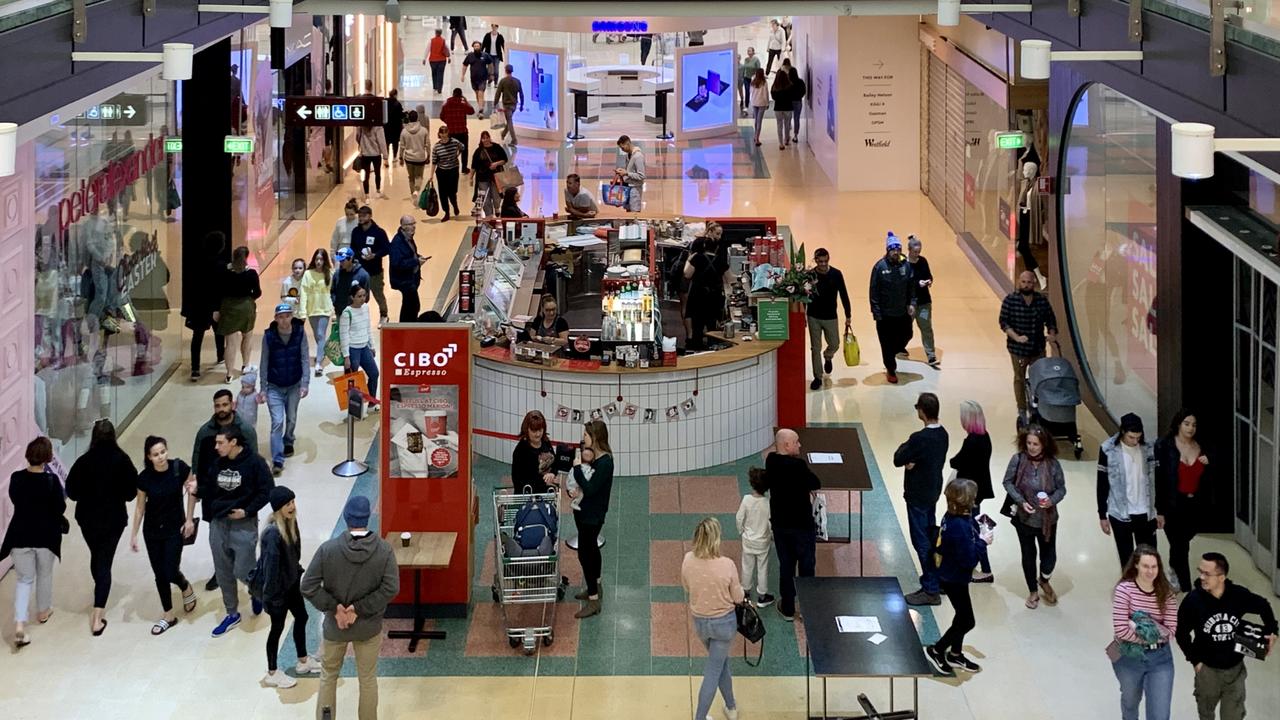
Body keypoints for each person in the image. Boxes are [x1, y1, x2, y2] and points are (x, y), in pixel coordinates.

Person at [302, 495, 399, 720]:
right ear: (368, 518)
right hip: (368, 627)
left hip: (336, 627)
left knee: (328, 676)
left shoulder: (328, 549)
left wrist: (335, 608)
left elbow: (308, 586)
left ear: (346, 517)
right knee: (367, 679)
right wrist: (358, 609)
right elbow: (391, 588)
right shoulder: (384, 551)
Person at [191, 423, 274, 638]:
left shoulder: (255, 463)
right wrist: (196, 489)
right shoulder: (217, 463)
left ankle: (257, 590)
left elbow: (267, 491)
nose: (216, 446)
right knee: (223, 570)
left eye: (221, 442)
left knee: (243, 569)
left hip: (243, 525)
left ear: (233, 442)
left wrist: (247, 511)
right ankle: (231, 613)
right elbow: (209, 489)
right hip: (219, 524)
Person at [1176, 552, 1278, 720]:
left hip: (1235, 671)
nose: (1201, 577)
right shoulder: (1193, 601)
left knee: (1233, 716)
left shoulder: (1238, 595)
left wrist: (1272, 631)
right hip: (1207, 671)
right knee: (1206, 714)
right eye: (1200, 571)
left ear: (1222, 577)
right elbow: (1181, 633)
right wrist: (1195, 661)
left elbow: (1263, 606)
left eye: (1207, 574)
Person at [65, 418, 138, 635]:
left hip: (87, 519)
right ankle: (98, 616)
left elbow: (72, 492)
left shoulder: (83, 461)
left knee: (97, 557)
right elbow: (131, 492)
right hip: (113, 519)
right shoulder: (122, 459)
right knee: (104, 561)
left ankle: (99, 594)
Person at [192, 388, 259, 592]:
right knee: (218, 538)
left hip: (241, 496)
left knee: (244, 538)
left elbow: (253, 462)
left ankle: (250, 575)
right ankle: (221, 572)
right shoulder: (205, 432)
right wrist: (196, 488)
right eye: (217, 405)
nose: (221, 409)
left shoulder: (245, 430)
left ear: (232, 404)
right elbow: (197, 460)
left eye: (224, 404)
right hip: (214, 496)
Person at [130, 435, 197, 635]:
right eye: (155, 454)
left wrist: (189, 519)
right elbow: (140, 508)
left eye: (162, 452)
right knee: (159, 574)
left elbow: (193, 491)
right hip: (151, 531)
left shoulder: (178, 468)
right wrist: (133, 534)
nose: (160, 457)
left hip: (174, 529)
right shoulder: (144, 478)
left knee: (170, 570)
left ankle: (184, 585)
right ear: (148, 457)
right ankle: (168, 614)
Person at [2, 437, 64, 648]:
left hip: (20, 536)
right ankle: (43, 612)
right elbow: (60, 509)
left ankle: (20, 623)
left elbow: (14, 499)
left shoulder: (16, 479)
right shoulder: (51, 481)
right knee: (44, 574)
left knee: (24, 580)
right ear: (47, 457)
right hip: (46, 537)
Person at [257, 486, 321, 689]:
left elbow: (294, 556)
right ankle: (272, 672)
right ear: (278, 508)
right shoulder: (272, 534)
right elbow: (270, 569)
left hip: (291, 584)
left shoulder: (291, 524)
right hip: (277, 591)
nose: (292, 507)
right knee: (277, 628)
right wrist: (271, 598)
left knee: (302, 617)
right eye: (288, 504)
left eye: (293, 502)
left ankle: (303, 661)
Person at [682, 517, 743, 720]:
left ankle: (731, 706)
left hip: (701, 623)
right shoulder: (727, 565)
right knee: (714, 669)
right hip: (724, 624)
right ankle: (700, 717)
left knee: (721, 662)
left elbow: (687, 587)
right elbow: (737, 597)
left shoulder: (688, 560)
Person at [1002, 424, 1067, 609]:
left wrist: (1052, 500)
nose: (1031, 447)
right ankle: (1032, 590)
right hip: (1025, 519)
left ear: (1044, 445)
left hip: (1048, 520)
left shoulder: (1053, 464)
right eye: (1029, 443)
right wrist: (1021, 501)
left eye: (1036, 444)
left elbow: (1062, 488)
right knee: (1028, 555)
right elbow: (1007, 482)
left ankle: (1044, 579)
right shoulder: (1018, 460)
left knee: (1049, 557)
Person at [894, 393, 950, 606]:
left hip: (917, 494)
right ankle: (936, 577)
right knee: (930, 533)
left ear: (921, 411)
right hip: (933, 492)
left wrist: (909, 457)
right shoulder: (943, 435)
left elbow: (898, 458)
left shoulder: (919, 439)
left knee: (921, 541)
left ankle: (930, 588)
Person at [1110, 546, 1177, 720]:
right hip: (1127, 656)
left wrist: (1137, 625)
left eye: (1154, 567)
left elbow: (1170, 632)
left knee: (1160, 714)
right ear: (1136, 566)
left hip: (1160, 657)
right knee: (1130, 701)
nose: (1150, 571)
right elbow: (1121, 630)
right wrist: (1151, 633)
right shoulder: (1124, 590)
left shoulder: (1167, 594)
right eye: (1146, 566)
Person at [926, 478, 985, 675]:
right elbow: (969, 560)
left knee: (961, 615)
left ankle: (956, 653)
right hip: (954, 578)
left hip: (948, 572)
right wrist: (983, 542)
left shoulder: (951, 516)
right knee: (968, 621)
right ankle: (937, 650)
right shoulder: (960, 527)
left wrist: (976, 530)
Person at [763, 428, 820, 620]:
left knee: (786, 566)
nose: (800, 444)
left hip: (780, 525)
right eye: (796, 442)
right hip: (802, 525)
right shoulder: (799, 466)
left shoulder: (771, 461)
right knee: (806, 566)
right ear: (787, 445)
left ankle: (787, 607)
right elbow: (815, 482)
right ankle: (806, 607)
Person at [1155, 409, 1210, 592]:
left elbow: (1207, 479)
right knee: (1180, 545)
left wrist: (1209, 464)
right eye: (1187, 423)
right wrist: (1160, 510)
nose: (1190, 428)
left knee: (1182, 543)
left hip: (1193, 505)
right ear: (1178, 424)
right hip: (1173, 504)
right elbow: (1159, 479)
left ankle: (1173, 569)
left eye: (1194, 424)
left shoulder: (1201, 446)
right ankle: (1185, 585)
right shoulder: (1165, 446)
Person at [1098, 412, 1160, 567]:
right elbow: (1102, 483)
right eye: (1131, 437)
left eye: (1138, 437)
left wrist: (1161, 510)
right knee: (1127, 560)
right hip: (1120, 513)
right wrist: (1102, 514)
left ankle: (1147, 589)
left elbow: (1158, 481)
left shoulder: (1149, 449)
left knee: (1148, 560)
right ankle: (1129, 590)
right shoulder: (1108, 450)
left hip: (1146, 513)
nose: (1135, 441)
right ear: (1123, 432)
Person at [568, 420, 614, 619]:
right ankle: (594, 584)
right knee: (592, 550)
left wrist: (577, 469)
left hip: (592, 515)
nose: (583, 439)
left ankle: (594, 599)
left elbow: (591, 488)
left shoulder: (605, 462)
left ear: (594, 438)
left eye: (586, 435)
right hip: (585, 512)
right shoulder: (596, 458)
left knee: (585, 554)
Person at [259, 303, 311, 476]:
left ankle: (288, 439)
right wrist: (263, 388)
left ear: (292, 316)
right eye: (280, 317)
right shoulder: (269, 336)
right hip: (274, 386)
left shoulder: (299, 333)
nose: (284, 320)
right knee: (277, 422)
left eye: (287, 316)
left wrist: (305, 383)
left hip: (294, 384)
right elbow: (264, 362)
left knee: (292, 418)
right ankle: (278, 459)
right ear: (276, 319)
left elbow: (304, 358)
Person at [999, 270, 1059, 416]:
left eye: (1029, 282)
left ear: (1034, 283)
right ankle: (1021, 408)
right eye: (1023, 282)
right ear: (1019, 282)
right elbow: (1003, 322)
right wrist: (1016, 337)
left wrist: (1051, 334)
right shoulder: (1010, 300)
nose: (1026, 285)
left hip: (1037, 348)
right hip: (1017, 349)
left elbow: (1050, 320)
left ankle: (1038, 405)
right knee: (1019, 378)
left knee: (1040, 378)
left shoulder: (1041, 301)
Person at [950, 400, 994, 582]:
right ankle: (977, 563)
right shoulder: (985, 437)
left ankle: (985, 569)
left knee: (973, 530)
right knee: (975, 525)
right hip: (980, 489)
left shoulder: (972, 441)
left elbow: (958, 461)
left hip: (970, 492)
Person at [869, 232, 916, 383]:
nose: (896, 252)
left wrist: (912, 303)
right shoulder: (879, 267)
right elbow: (874, 291)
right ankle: (891, 369)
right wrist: (876, 313)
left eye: (898, 249)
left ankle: (893, 352)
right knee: (886, 344)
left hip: (902, 312)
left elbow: (911, 287)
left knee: (907, 335)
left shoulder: (906, 265)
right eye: (893, 249)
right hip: (885, 315)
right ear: (888, 250)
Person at [807, 247, 851, 390]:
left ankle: (828, 356)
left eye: (825, 261)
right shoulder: (810, 275)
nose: (823, 264)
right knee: (815, 348)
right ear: (816, 261)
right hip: (813, 316)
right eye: (820, 262)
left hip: (831, 316)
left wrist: (848, 314)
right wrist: (803, 315)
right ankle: (817, 377)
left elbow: (844, 294)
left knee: (835, 343)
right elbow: (804, 295)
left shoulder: (836, 274)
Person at [216, 245, 262, 384]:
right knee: (247, 337)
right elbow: (258, 292)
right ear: (247, 257)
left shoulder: (225, 271)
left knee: (230, 343)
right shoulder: (251, 273)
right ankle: (245, 365)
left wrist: (216, 309)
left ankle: (229, 374)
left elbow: (218, 291)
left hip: (228, 307)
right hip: (246, 307)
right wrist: (249, 299)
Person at [185, 231, 227, 380]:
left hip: (199, 305)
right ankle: (220, 355)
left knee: (197, 337)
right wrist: (217, 307)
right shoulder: (222, 265)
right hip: (215, 305)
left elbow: (192, 285)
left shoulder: (197, 262)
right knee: (219, 332)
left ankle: (195, 368)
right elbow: (221, 289)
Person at [684, 224, 730, 351]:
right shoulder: (721, 261)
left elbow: (687, 274)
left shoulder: (697, 258)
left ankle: (696, 347)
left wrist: (689, 260)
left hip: (697, 295)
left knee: (697, 325)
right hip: (713, 297)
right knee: (712, 325)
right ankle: (712, 347)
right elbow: (730, 279)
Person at [736, 467, 774, 607]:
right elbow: (771, 523)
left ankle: (745, 591)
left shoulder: (746, 500)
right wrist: (771, 536)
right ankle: (762, 596)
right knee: (763, 567)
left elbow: (739, 518)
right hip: (763, 541)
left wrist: (741, 531)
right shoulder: (768, 503)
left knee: (747, 565)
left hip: (748, 540)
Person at [350, 206, 390, 324]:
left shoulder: (379, 232)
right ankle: (359, 315)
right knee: (358, 294)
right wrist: (358, 255)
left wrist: (375, 255)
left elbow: (387, 248)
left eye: (363, 216)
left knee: (378, 294)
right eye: (360, 216)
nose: (360, 218)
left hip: (375, 271)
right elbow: (353, 247)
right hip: (360, 270)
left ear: (370, 216)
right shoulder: (356, 232)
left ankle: (384, 314)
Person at [340, 284, 380, 400]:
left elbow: (368, 327)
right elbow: (344, 335)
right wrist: (346, 356)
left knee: (374, 373)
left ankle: (371, 401)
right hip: (353, 350)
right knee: (352, 379)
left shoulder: (366, 308)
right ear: (352, 297)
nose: (362, 298)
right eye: (359, 296)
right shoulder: (347, 313)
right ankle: (353, 408)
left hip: (364, 348)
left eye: (364, 295)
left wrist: (372, 346)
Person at [906, 235, 939, 368]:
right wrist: (916, 284)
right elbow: (904, 282)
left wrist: (929, 281)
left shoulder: (923, 261)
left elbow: (929, 275)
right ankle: (899, 347)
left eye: (919, 252)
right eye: (915, 252)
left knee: (926, 328)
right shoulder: (904, 264)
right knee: (905, 328)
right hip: (909, 303)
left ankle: (931, 355)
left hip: (924, 302)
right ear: (909, 250)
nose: (917, 254)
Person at [389, 215, 429, 322]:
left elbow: (411, 253)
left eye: (414, 223)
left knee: (411, 305)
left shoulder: (408, 238)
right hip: (404, 281)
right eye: (411, 224)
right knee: (412, 305)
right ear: (403, 226)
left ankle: (408, 325)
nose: (414, 227)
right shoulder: (397, 243)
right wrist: (416, 261)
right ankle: (407, 326)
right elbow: (397, 263)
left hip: (410, 279)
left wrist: (418, 257)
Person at [301, 248, 335, 376]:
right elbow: (303, 292)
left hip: (325, 309)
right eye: (317, 259)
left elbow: (333, 292)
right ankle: (322, 353)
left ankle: (318, 363)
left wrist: (334, 311)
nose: (319, 262)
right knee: (317, 335)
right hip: (312, 309)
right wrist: (302, 312)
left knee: (321, 335)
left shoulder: (330, 274)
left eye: (321, 259)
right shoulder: (308, 274)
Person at [511, 410, 556, 495]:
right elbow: (517, 480)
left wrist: (552, 473)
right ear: (526, 430)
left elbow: (554, 462)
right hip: (528, 495)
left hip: (545, 492)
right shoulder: (521, 450)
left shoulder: (546, 442)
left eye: (540, 430)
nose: (538, 434)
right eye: (534, 431)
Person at [429, 126, 467, 220]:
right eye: (442, 134)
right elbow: (434, 162)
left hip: (453, 170)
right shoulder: (436, 147)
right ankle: (446, 212)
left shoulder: (455, 142)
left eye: (446, 134)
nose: (444, 136)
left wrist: (458, 154)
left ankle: (454, 204)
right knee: (443, 193)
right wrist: (431, 175)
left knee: (452, 191)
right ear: (440, 134)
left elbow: (463, 147)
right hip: (441, 171)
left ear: (448, 133)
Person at [470, 130, 507, 216]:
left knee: (496, 195)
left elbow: (505, 159)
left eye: (487, 138)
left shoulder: (497, 147)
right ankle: (489, 214)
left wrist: (496, 164)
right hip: (482, 177)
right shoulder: (478, 151)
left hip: (495, 176)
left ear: (490, 138)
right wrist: (471, 178)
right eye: (484, 138)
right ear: (481, 139)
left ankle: (497, 208)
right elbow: (474, 166)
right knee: (485, 197)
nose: (486, 140)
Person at [439, 88, 475, 173]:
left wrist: (448, 122)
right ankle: (464, 168)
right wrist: (466, 101)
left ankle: (450, 166)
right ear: (461, 95)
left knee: (450, 150)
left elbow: (441, 116)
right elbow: (472, 111)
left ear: (453, 94)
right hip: (462, 131)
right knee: (464, 150)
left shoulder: (447, 104)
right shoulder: (463, 104)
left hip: (451, 132)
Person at [330, 247, 371, 319]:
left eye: (343, 260)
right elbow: (333, 291)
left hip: (357, 314)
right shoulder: (337, 274)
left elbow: (366, 297)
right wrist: (336, 304)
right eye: (340, 261)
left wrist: (356, 306)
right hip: (341, 313)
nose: (341, 263)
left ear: (350, 258)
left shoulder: (363, 275)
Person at [399, 111, 430, 198]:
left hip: (408, 158)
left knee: (411, 177)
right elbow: (427, 144)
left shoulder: (404, 131)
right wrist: (428, 155)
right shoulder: (424, 130)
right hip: (420, 157)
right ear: (417, 118)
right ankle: (417, 191)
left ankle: (413, 193)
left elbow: (402, 146)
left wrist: (400, 157)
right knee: (419, 176)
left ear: (409, 118)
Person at [355, 125, 388, 200]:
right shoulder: (378, 127)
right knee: (377, 173)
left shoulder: (361, 126)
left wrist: (362, 145)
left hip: (365, 154)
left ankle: (367, 196)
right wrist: (385, 156)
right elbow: (382, 142)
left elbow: (357, 138)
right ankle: (378, 191)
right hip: (376, 154)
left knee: (366, 176)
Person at [614, 135, 646, 212]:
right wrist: (622, 171)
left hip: (635, 189)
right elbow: (630, 171)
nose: (622, 150)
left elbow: (641, 176)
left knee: (634, 213)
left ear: (627, 143)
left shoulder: (638, 156)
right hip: (628, 187)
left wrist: (627, 173)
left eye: (623, 148)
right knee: (628, 213)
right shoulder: (628, 155)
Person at [494, 64, 524, 145]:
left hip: (507, 106)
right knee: (509, 120)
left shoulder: (503, 81)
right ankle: (503, 134)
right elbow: (521, 94)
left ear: (505, 70)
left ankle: (514, 140)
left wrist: (495, 104)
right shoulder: (517, 81)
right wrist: (521, 105)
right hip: (514, 105)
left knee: (509, 121)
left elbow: (498, 93)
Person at [462, 42, 494, 117]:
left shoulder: (485, 55)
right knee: (477, 94)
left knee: (480, 93)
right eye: (475, 46)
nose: (476, 47)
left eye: (478, 46)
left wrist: (491, 74)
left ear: (480, 47)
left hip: (483, 78)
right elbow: (465, 65)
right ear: (473, 47)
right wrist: (462, 75)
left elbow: (490, 64)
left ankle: (480, 109)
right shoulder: (470, 56)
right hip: (473, 79)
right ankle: (481, 105)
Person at [769, 69, 794, 150]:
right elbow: (792, 96)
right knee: (787, 125)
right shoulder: (790, 85)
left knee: (779, 126)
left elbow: (773, 97)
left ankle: (781, 144)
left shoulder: (775, 86)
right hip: (788, 107)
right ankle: (786, 140)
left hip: (778, 108)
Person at [748, 68, 769, 146]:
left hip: (754, 102)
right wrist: (767, 103)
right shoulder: (764, 83)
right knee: (759, 121)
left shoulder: (753, 82)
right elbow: (765, 94)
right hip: (762, 103)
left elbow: (750, 92)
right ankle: (757, 138)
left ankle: (755, 135)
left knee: (756, 120)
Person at [786, 62, 806, 144]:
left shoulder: (788, 82)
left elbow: (785, 92)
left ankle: (787, 136)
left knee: (788, 119)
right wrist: (799, 96)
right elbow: (804, 91)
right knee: (796, 118)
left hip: (789, 102)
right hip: (798, 101)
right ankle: (795, 135)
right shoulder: (800, 82)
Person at [383, 89, 404, 163]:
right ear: (395, 95)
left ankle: (386, 157)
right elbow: (401, 116)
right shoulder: (397, 104)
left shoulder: (384, 102)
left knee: (387, 142)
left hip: (386, 127)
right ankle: (394, 157)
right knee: (395, 143)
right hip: (396, 127)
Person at [426, 29, 449, 94]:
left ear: (435, 33)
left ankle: (435, 87)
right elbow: (447, 49)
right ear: (441, 33)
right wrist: (449, 57)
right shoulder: (443, 40)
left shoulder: (431, 41)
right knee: (441, 74)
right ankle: (439, 89)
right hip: (442, 60)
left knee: (434, 74)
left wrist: (424, 59)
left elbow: (427, 50)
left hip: (433, 60)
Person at [739, 47, 761, 114]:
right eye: (747, 51)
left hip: (754, 78)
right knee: (747, 91)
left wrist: (756, 77)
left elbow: (759, 69)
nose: (748, 52)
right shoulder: (746, 59)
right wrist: (742, 76)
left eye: (750, 51)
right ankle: (746, 106)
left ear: (753, 52)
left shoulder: (756, 60)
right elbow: (744, 68)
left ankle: (755, 106)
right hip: (746, 78)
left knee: (754, 92)